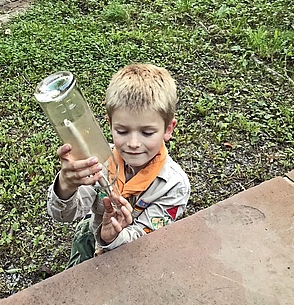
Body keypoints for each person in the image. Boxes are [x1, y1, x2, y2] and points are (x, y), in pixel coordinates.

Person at [47, 63, 191, 268]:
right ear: (110, 124)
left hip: (137, 254)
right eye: (122, 131)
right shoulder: (99, 163)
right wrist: (66, 186)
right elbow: (66, 215)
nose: (133, 143)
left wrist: (111, 239)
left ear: (168, 129)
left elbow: (146, 239)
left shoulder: (174, 186)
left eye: (147, 133)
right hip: (92, 235)